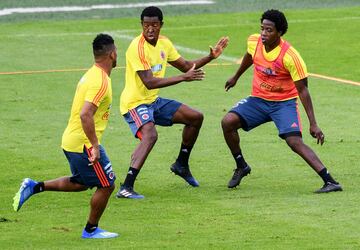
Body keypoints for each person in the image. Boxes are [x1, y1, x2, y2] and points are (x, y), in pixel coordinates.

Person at [221, 9, 342, 193]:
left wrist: (313, 124)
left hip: (283, 103)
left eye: (269, 30)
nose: (263, 33)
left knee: (294, 142)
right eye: (262, 28)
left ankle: (330, 181)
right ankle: (241, 166)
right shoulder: (254, 41)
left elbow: (303, 90)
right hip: (258, 101)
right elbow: (249, 56)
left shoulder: (290, 56)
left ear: (279, 32)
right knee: (228, 122)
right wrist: (236, 76)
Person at [13, 34, 119, 238]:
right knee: (107, 184)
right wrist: (95, 146)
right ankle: (91, 230)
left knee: (81, 182)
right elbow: (85, 113)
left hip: (73, 140)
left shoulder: (92, 74)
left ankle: (35, 186)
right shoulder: (101, 82)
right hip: (84, 144)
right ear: (112, 54)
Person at [116, 6, 228, 199]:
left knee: (195, 117)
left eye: (154, 25)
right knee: (150, 135)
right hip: (134, 104)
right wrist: (183, 78)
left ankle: (181, 165)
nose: (150, 29)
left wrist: (210, 57)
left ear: (161, 25)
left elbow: (186, 66)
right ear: (141, 25)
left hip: (153, 101)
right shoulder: (137, 47)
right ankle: (126, 186)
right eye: (146, 25)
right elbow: (149, 82)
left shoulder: (164, 43)